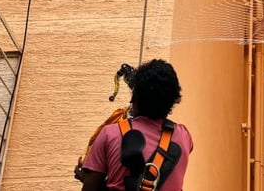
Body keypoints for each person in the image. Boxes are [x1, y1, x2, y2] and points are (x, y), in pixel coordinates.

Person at [78, 59, 193, 191]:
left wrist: (87, 179)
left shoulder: (110, 134)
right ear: (173, 101)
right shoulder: (184, 137)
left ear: (134, 97)